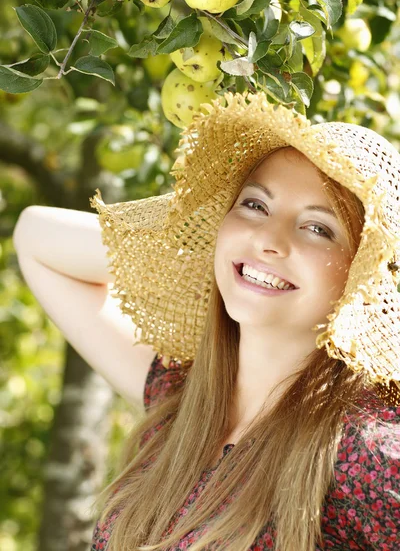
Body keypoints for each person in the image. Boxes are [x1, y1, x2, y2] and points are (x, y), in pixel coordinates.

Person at [13, 91, 399, 551]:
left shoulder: (369, 452)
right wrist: (212, 248)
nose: (267, 240)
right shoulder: (183, 398)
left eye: (318, 227)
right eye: (255, 205)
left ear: (363, 275)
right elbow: (34, 237)